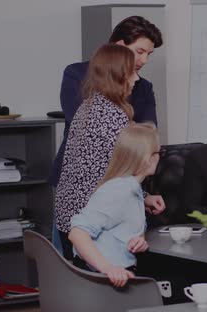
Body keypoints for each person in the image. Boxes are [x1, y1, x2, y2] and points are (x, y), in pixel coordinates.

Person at [50, 16, 164, 251]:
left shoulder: (138, 89)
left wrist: (140, 194)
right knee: (89, 266)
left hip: (113, 191)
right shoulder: (82, 83)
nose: (143, 61)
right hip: (88, 196)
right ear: (119, 48)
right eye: (139, 52)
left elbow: (146, 139)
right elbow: (128, 147)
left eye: (148, 55)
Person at [54, 44, 146, 260]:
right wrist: (143, 194)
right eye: (133, 72)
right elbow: (118, 174)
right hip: (92, 219)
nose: (136, 79)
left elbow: (102, 166)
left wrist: (145, 196)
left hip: (69, 214)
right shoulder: (114, 116)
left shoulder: (88, 106)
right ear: (119, 75)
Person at [69, 122, 160, 287]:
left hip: (120, 274)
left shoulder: (133, 189)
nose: (160, 157)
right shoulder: (118, 191)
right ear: (148, 159)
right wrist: (108, 269)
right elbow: (77, 233)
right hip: (103, 281)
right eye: (159, 152)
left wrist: (138, 241)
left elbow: (121, 229)